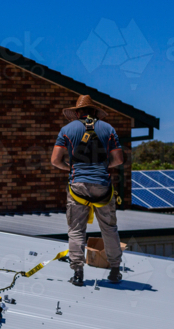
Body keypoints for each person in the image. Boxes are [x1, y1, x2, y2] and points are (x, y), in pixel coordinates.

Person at [50, 94, 126, 287]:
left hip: (78, 187)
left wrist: (71, 167)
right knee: (109, 229)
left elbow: (55, 160)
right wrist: (102, 167)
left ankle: (78, 273)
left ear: (77, 112)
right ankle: (115, 271)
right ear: (94, 111)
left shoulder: (67, 130)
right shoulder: (108, 129)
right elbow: (118, 159)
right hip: (103, 187)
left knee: (76, 230)